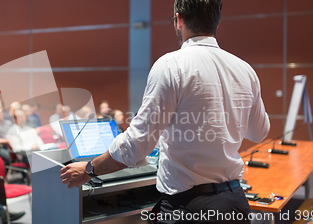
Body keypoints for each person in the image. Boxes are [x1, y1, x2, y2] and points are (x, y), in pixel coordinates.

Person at [60, 1, 270, 224]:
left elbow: (136, 145)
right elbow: (259, 132)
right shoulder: (245, 70)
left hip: (189, 209)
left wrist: (89, 169)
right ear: (215, 20)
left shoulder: (171, 65)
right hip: (235, 203)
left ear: (179, 20)